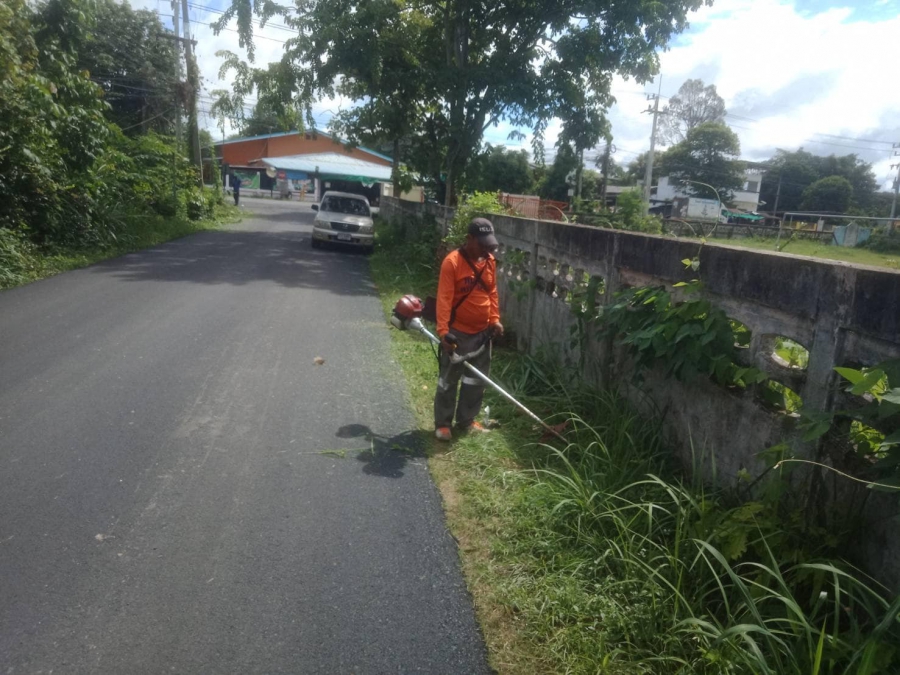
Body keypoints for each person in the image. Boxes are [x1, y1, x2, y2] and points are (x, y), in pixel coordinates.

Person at [433, 218, 503, 441]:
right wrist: (443, 331)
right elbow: (444, 298)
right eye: (481, 244)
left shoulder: (489, 262)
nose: (485, 249)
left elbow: (491, 293)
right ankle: (443, 424)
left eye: (488, 245)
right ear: (469, 239)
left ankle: (466, 420)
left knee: (475, 380)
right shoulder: (452, 263)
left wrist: (494, 319)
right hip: (458, 333)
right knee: (448, 380)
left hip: (483, 334)